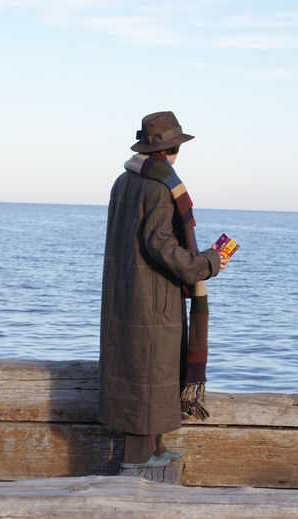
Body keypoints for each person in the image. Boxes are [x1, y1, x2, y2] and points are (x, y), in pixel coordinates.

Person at [99, 111, 228, 468]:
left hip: (126, 294)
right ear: (171, 149)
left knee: (145, 372)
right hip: (153, 298)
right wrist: (208, 263)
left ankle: (154, 449)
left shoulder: (123, 181)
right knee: (151, 371)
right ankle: (138, 460)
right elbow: (161, 247)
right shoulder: (159, 188)